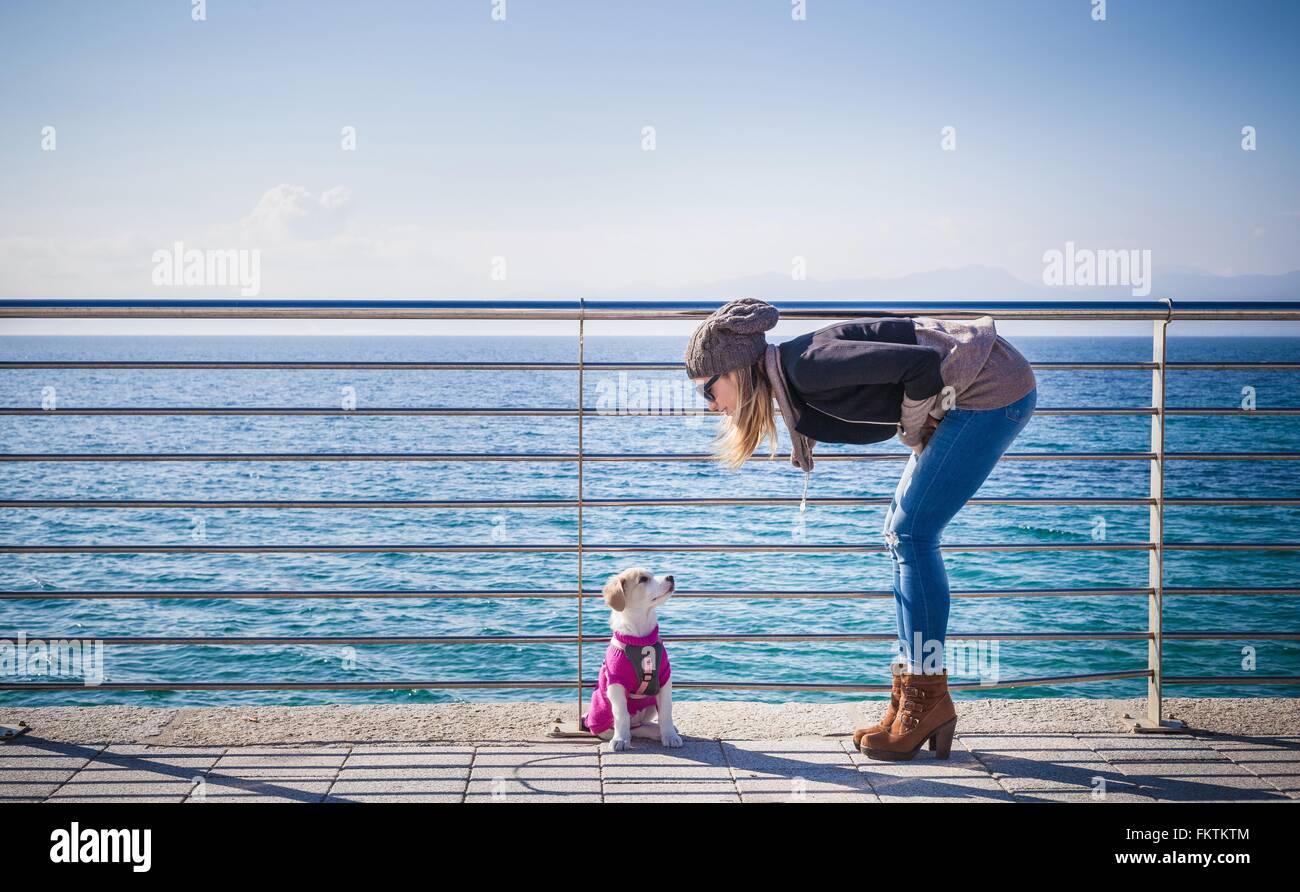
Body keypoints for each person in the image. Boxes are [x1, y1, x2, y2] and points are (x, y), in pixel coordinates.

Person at [683, 297, 1037, 760]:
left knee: (913, 535)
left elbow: (920, 363)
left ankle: (926, 699)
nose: (710, 406)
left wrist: (915, 431)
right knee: (900, 533)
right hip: (972, 388)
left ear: (734, 372)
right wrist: (921, 423)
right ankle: (914, 691)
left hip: (991, 390)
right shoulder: (791, 373)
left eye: (706, 391)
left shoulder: (807, 367)